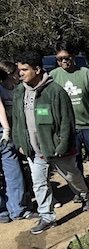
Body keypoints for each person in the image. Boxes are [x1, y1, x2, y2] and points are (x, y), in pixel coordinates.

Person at [11, 50, 89, 234]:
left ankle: (85, 196)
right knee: (39, 183)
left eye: (25, 69)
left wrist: (62, 145)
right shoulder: (19, 92)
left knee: (72, 176)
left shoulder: (55, 91)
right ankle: (47, 217)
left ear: (37, 69)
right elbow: (17, 120)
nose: (21, 73)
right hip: (33, 150)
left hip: (56, 148)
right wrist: (20, 143)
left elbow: (67, 121)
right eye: (19, 70)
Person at [50, 41, 89, 187]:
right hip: (67, 126)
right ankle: (81, 186)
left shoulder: (85, 73)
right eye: (59, 59)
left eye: (66, 58)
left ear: (73, 57)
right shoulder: (53, 76)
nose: (63, 61)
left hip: (87, 123)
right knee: (75, 158)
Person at [0, 63, 36, 223]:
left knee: (13, 173)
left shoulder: (19, 88)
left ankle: (17, 210)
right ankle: (3, 211)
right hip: (6, 132)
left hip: (9, 133)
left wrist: (7, 130)